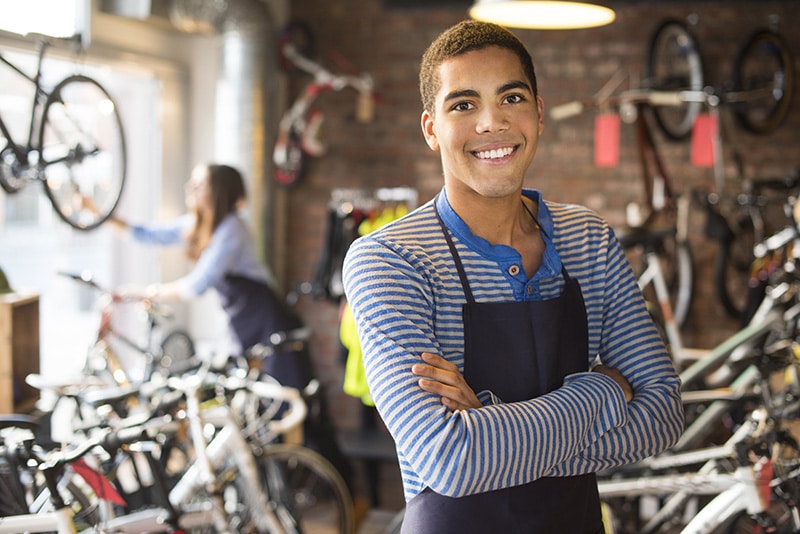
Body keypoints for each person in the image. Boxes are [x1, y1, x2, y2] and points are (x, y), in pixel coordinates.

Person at [342, 20, 684, 533]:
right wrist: (605, 392)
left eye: (512, 97)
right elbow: (449, 460)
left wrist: (490, 423)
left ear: (539, 115)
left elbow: (661, 416)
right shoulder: (391, 260)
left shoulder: (587, 239)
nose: (491, 123)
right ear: (432, 129)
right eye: (463, 104)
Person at [110, 162, 312, 390]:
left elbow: (196, 285)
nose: (190, 188)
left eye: (200, 184)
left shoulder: (232, 229)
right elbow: (148, 234)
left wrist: (145, 292)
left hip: (265, 319)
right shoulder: (201, 225)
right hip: (242, 319)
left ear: (219, 191)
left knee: (281, 395)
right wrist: (102, 216)